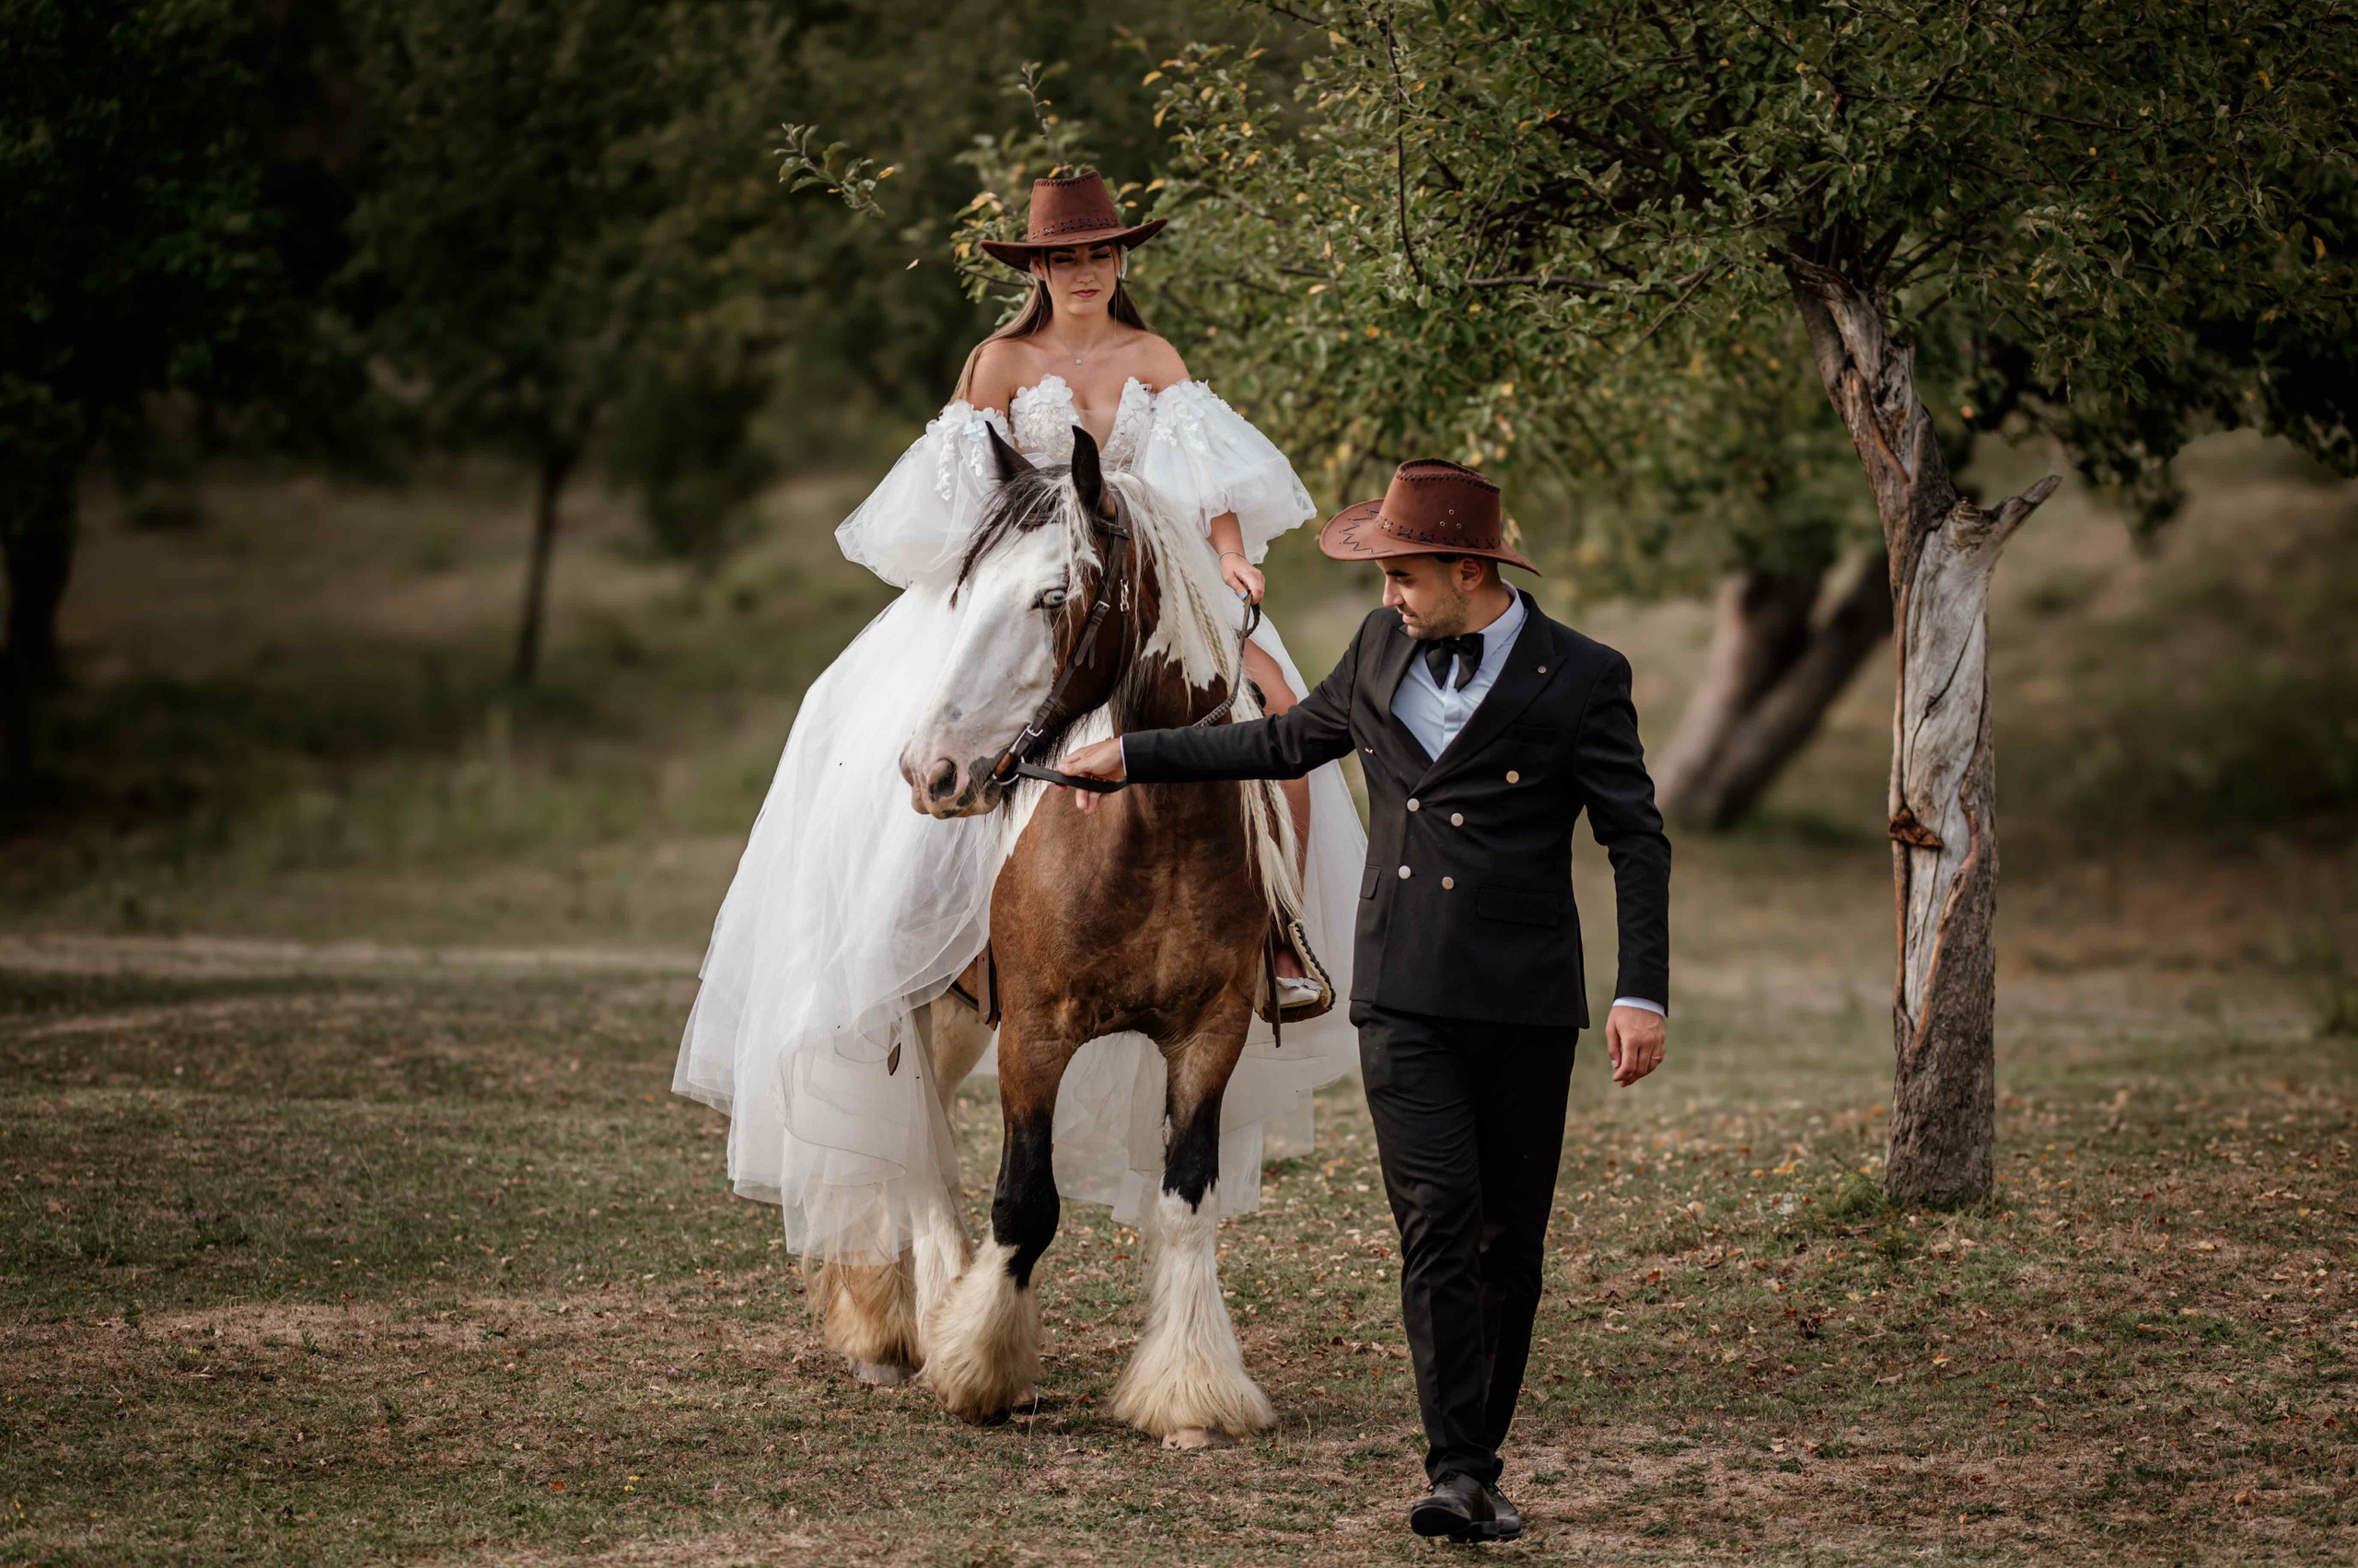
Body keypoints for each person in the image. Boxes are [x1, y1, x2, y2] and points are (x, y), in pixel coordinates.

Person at [673, 171, 1366, 1283]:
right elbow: (960, 500)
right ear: (1033, 271)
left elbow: (1205, 483)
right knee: (902, 722)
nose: (1083, 271)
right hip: (1026, 587)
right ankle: (916, 926)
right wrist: (998, 582)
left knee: (1274, 702)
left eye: (1099, 253)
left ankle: (1274, 931)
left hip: (1146, 585)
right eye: (1061, 257)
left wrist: (1230, 554)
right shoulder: (996, 368)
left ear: (1119, 261)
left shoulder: (1156, 362)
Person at [1057, 459, 1672, 1544]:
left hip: (1525, 1000)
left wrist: (1640, 990)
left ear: (1469, 568)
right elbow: (1283, 741)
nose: (1386, 592)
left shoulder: (1582, 673)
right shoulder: (1380, 648)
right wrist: (1138, 757)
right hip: (1401, 991)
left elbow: (1634, 837)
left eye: (1403, 571)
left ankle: (1477, 1454)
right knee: (1435, 1222)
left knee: (1504, 1239)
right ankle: (1459, 1471)